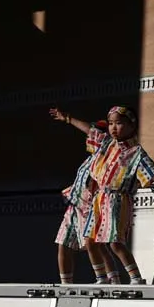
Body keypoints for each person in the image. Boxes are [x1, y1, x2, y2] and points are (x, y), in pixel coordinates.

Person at [54, 105, 154, 285]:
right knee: (90, 241)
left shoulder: (136, 151)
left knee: (114, 242)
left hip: (117, 200)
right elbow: (90, 130)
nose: (113, 128)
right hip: (99, 199)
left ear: (131, 125)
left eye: (118, 123)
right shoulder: (106, 143)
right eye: (111, 123)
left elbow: (150, 166)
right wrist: (69, 119)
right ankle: (101, 278)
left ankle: (136, 278)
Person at [50, 111, 110, 284]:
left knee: (97, 245)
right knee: (63, 244)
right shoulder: (90, 159)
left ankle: (109, 279)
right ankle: (66, 285)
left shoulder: (106, 154)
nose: (88, 137)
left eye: (93, 135)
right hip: (75, 206)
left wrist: (69, 119)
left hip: (91, 207)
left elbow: (91, 130)